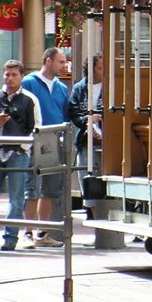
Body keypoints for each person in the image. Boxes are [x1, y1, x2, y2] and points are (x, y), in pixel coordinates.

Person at [0, 61, 40, 251]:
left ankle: (10, 239)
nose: (10, 78)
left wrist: (23, 147)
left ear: (22, 76)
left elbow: (36, 128)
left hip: (17, 153)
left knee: (16, 198)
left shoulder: (29, 99)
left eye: (14, 74)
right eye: (7, 74)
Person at [21, 47, 70, 248]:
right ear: (48, 61)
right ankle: (28, 233)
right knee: (31, 187)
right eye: (61, 62)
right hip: (34, 139)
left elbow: (65, 113)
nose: (64, 65)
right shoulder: (29, 83)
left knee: (50, 189)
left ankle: (43, 233)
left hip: (54, 140)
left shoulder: (62, 87)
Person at [68, 54, 103, 215]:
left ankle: (103, 208)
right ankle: (90, 209)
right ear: (91, 70)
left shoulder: (110, 86)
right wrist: (87, 120)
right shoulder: (79, 88)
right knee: (86, 174)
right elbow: (73, 113)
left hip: (107, 140)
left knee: (104, 174)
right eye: (100, 68)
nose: (103, 71)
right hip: (85, 139)